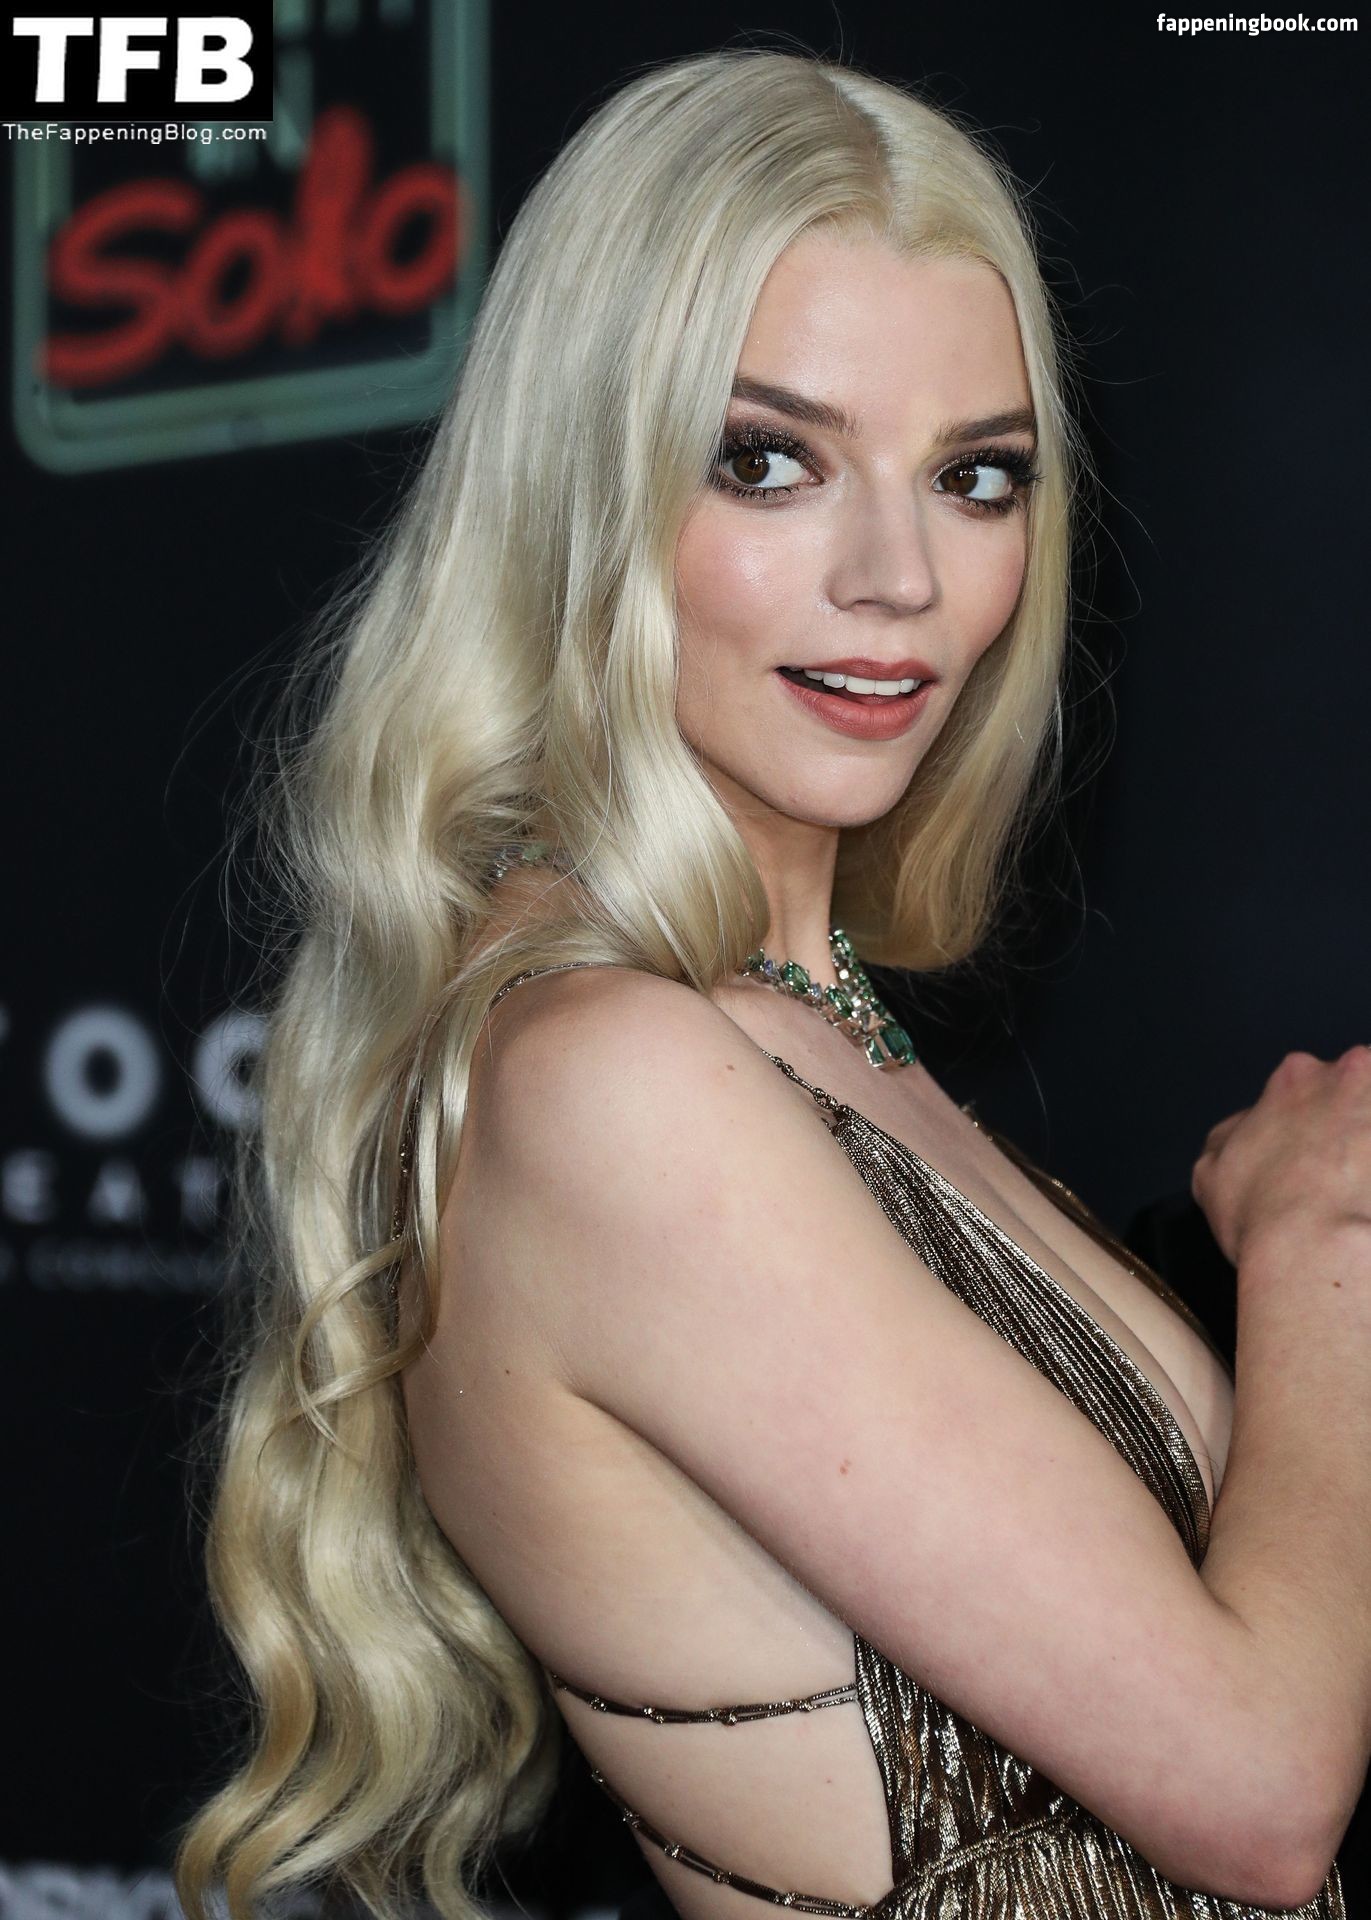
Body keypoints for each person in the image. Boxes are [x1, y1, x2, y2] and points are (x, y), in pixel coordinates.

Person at [173, 47, 1369, 1920]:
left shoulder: (788, 1026)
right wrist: (1319, 1254)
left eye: (976, 478)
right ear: (583, 485)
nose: (898, 575)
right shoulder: (610, 1080)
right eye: (769, 460)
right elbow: (1259, 1793)